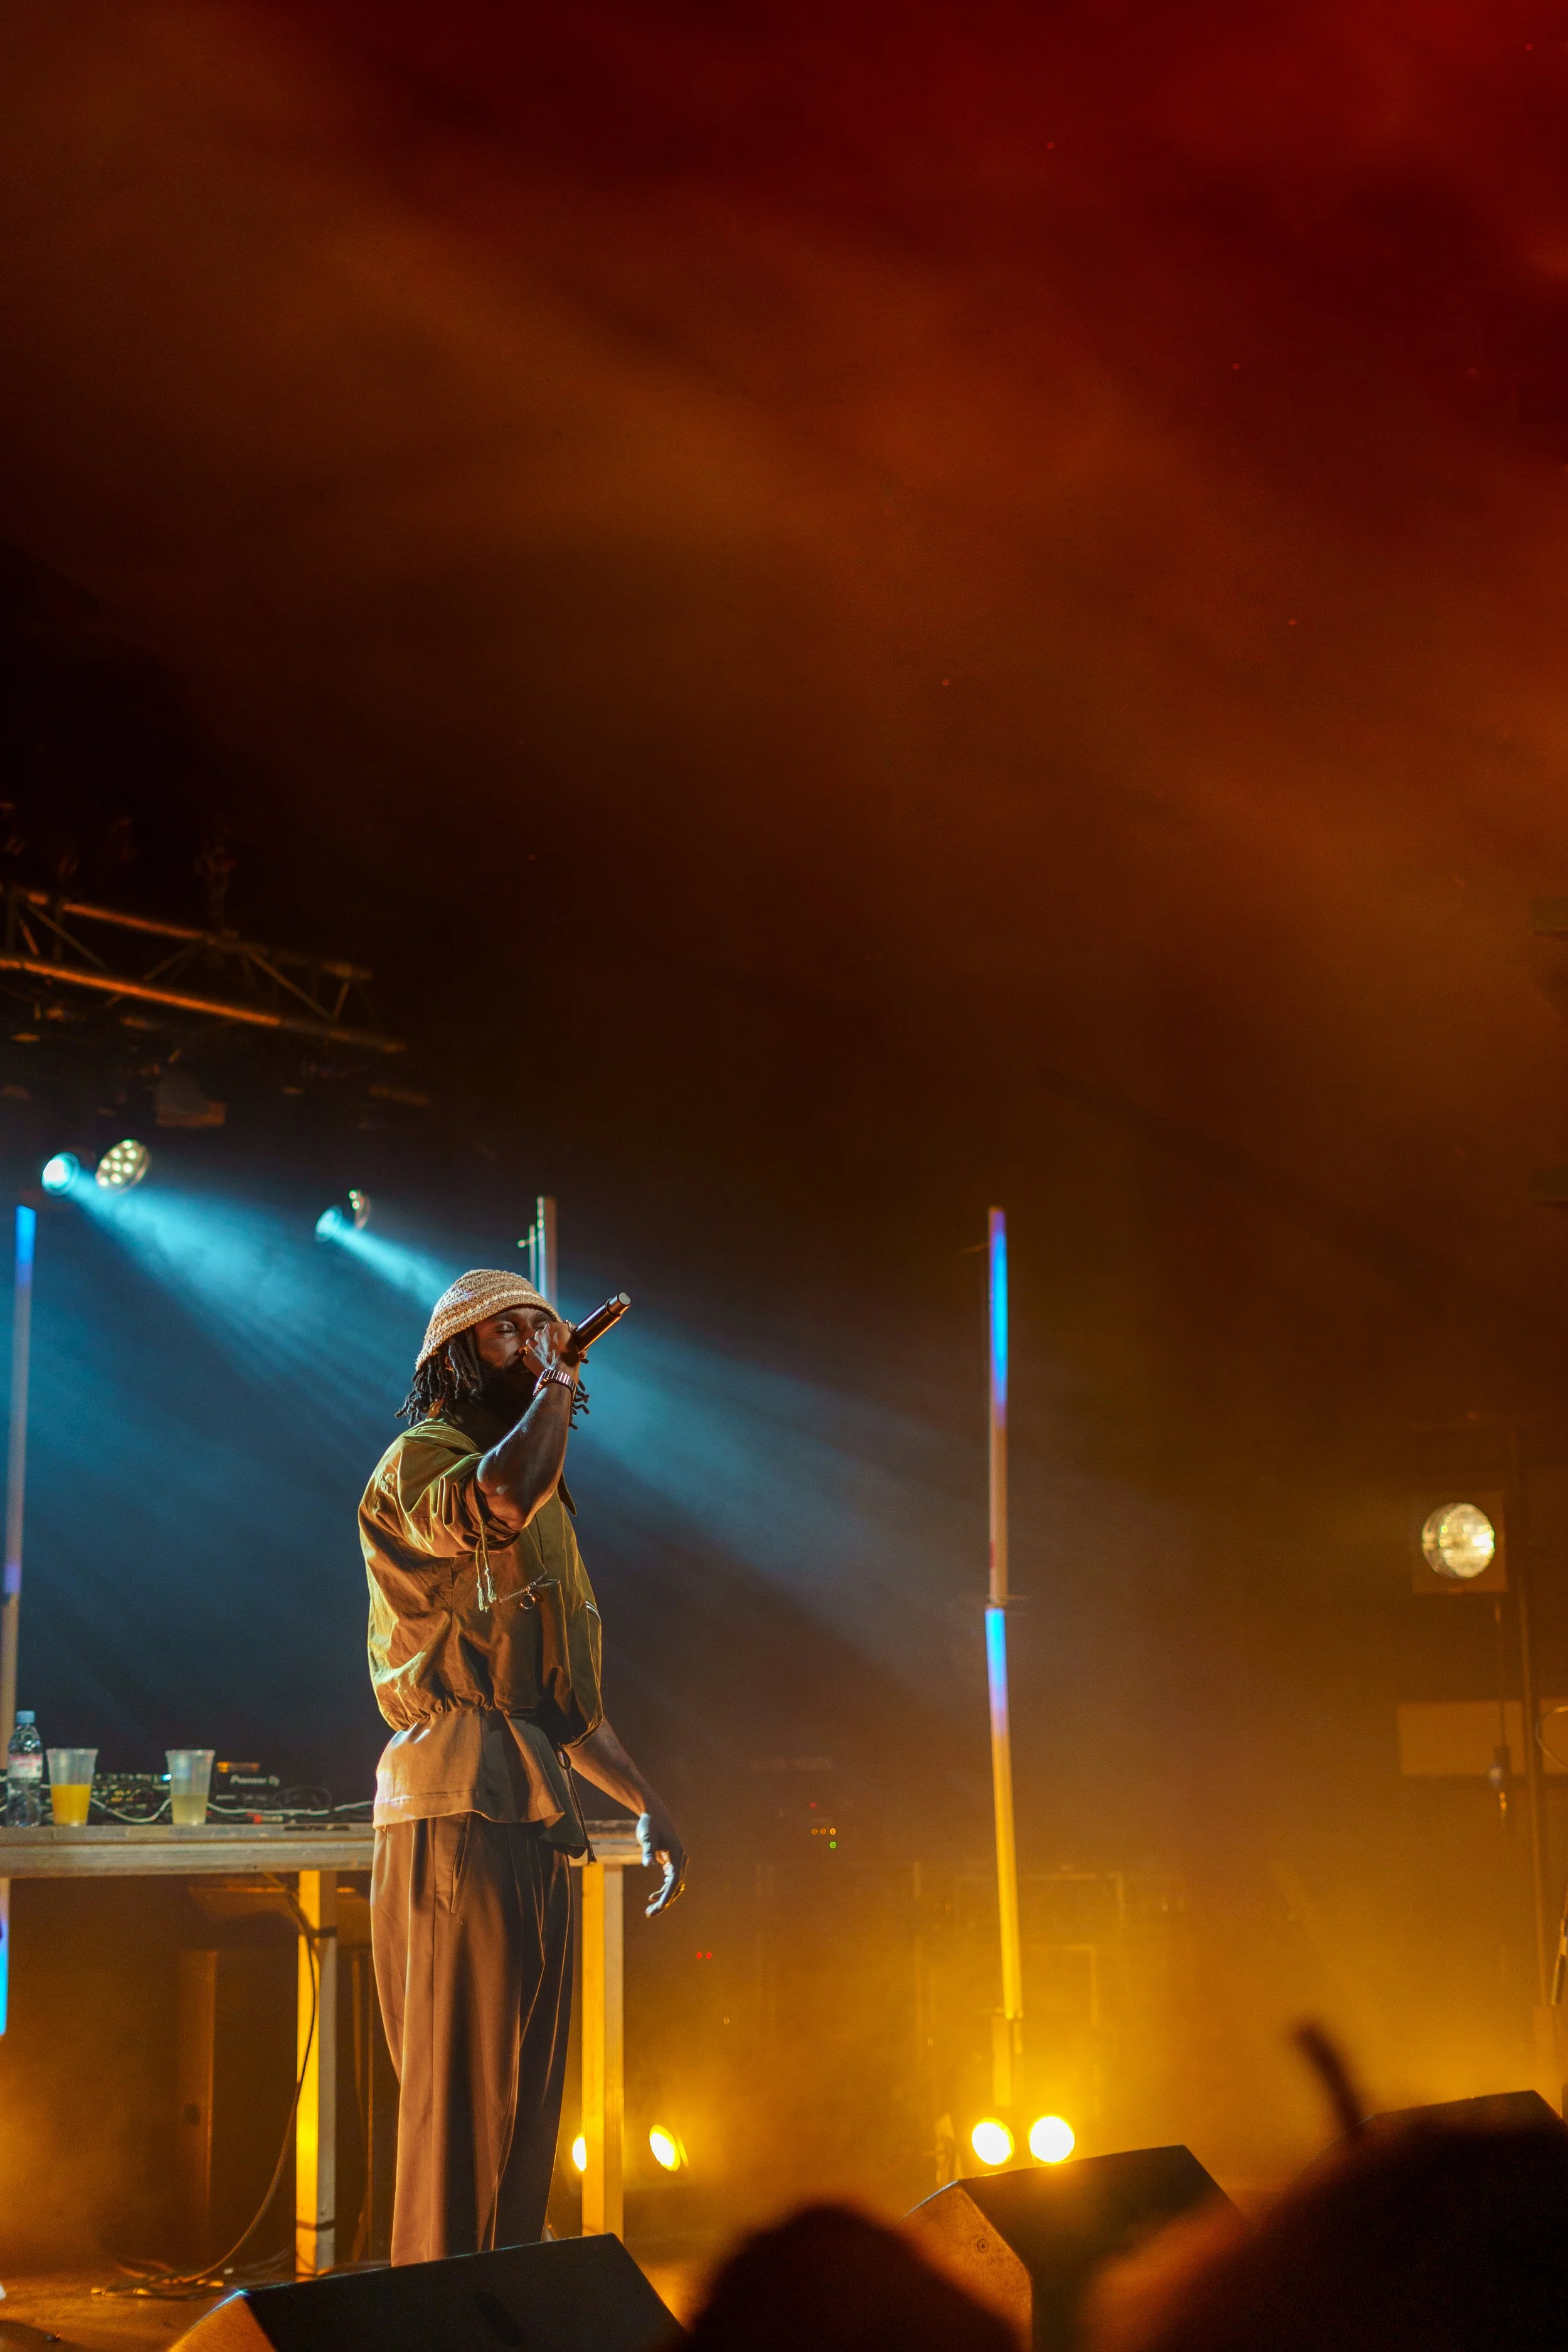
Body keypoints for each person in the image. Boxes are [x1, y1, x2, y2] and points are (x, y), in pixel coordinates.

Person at [360, 1267, 686, 2265]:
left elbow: (565, 1708)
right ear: (454, 1358)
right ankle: (436, 2320)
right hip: (459, 1800)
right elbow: (494, 1498)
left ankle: (500, 2307)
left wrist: (648, 1803)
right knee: (460, 2117)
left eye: (544, 1334)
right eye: (509, 1334)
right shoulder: (425, 1461)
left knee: (523, 2123)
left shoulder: (546, 1499)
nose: (536, 1348)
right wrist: (559, 1382)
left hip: (536, 1810)